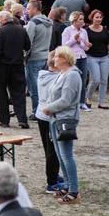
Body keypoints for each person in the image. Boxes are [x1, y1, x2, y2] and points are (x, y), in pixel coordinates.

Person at [40, 46, 83, 204]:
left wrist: (48, 108)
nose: (54, 59)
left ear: (65, 58)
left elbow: (66, 100)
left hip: (65, 119)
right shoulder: (61, 74)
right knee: (60, 155)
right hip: (55, 118)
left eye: (57, 56)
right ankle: (67, 185)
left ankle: (74, 190)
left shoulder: (72, 75)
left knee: (66, 155)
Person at [0, 11, 31, 128]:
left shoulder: (0, 32)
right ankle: (22, 119)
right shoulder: (21, 30)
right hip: (17, 65)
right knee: (19, 92)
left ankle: (4, 120)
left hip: (2, 66)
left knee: (1, 93)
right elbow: (28, 46)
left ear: (3, 19)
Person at [35, 52, 65, 195]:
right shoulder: (57, 79)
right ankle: (51, 183)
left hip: (41, 115)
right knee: (53, 150)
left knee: (50, 149)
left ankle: (54, 174)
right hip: (49, 117)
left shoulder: (42, 75)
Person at [24, 0, 53, 120]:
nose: (27, 11)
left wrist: (24, 56)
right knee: (43, 86)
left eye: (29, 8)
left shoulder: (33, 23)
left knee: (34, 87)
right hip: (45, 56)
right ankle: (43, 109)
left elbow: (27, 43)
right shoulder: (49, 22)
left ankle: (36, 112)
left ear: (35, 9)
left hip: (34, 57)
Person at [85, 9, 109, 110]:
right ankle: (88, 97)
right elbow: (84, 44)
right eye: (97, 17)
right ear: (92, 18)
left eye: (100, 17)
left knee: (104, 80)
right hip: (91, 57)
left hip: (104, 57)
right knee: (95, 79)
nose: (99, 19)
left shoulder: (104, 29)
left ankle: (102, 102)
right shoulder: (86, 30)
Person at [61, 11, 89, 110]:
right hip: (72, 58)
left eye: (82, 19)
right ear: (74, 20)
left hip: (83, 57)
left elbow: (86, 48)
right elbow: (64, 45)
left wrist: (81, 42)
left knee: (83, 80)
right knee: (71, 81)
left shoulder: (84, 31)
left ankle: (82, 102)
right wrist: (73, 39)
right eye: (80, 19)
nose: (82, 21)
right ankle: (71, 102)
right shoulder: (67, 30)